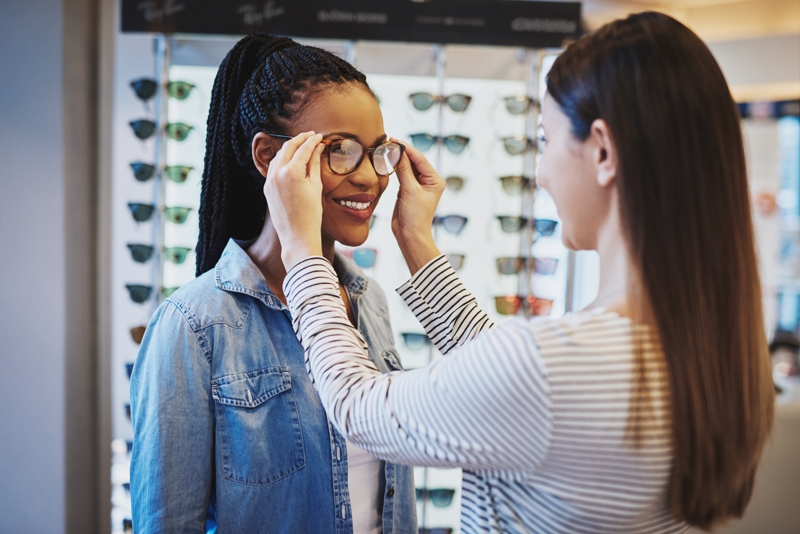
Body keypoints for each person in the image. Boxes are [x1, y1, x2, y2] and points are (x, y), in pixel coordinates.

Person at [263, 12, 775, 534]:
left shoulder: (556, 367)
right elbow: (512, 388)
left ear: (602, 151)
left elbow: (357, 407)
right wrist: (417, 242)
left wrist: (302, 253)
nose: (542, 172)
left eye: (546, 140)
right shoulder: (705, 351)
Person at [129, 34, 416, 534]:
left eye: (377, 151)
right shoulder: (193, 326)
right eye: (340, 151)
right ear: (268, 157)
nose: (370, 176)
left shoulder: (369, 303)